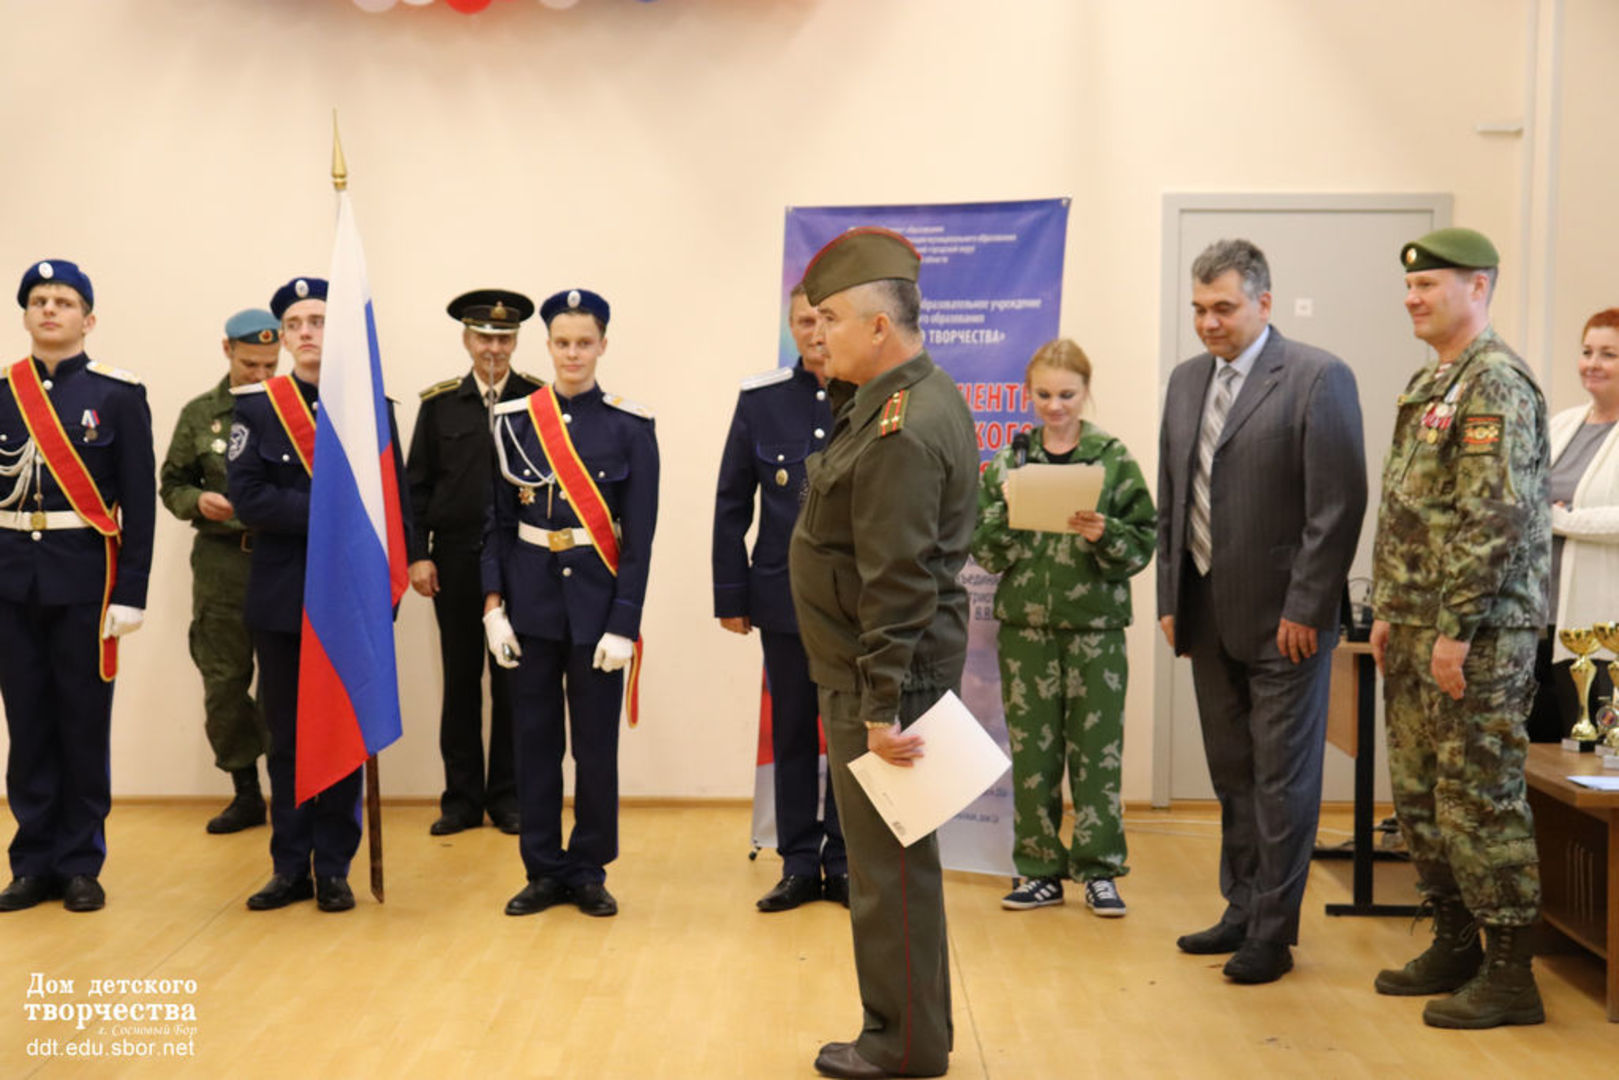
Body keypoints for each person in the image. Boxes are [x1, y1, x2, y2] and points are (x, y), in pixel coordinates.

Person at [789, 227, 977, 1080]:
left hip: (883, 683)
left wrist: (878, 709)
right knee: (898, 867)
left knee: (887, 872)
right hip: (882, 673)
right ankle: (913, 1034)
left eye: (829, 318)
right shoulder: (903, 398)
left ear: (877, 325)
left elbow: (896, 581)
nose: (815, 332)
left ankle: (899, 1045)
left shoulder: (901, 427)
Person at [1156, 238, 1366, 984]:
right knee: (1233, 773)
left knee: (1281, 781)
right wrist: (1171, 598)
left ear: (1263, 303)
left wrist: (1307, 605)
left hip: (1287, 623)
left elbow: (1336, 507)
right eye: (1198, 309)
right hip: (1206, 614)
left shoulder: (1316, 377)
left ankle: (1273, 935)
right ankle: (1241, 907)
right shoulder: (1186, 381)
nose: (1208, 323)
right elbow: (1172, 497)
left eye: (1223, 307)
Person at [1369, 227, 1550, 1028]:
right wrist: (1387, 608)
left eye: (1428, 285)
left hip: (1476, 635)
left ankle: (1510, 972)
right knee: (1418, 798)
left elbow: (1492, 518)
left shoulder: (1496, 383)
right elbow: (1408, 510)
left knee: (1478, 797)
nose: (1411, 297)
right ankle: (1454, 942)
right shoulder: (1431, 381)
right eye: (1409, 286)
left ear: (1477, 288)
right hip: (1416, 624)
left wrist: (1454, 629)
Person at [229, 275, 409, 914]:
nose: (307, 333)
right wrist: (335, 511)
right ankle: (289, 866)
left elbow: (394, 504)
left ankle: (333, 867)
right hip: (283, 598)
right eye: (295, 324)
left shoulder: (370, 409)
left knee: (342, 732)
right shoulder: (257, 408)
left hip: (349, 601)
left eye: (319, 321)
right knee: (286, 739)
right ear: (283, 337)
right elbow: (249, 498)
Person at [481, 288, 658, 920]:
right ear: (548, 345)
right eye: (562, 342)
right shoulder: (514, 421)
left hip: (597, 611)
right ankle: (541, 868)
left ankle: (587, 870)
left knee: (595, 749)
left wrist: (624, 623)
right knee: (533, 744)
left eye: (585, 342)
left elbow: (639, 539)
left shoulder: (631, 427)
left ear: (603, 345)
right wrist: (493, 608)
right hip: (530, 607)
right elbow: (497, 523)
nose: (573, 353)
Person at [970, 338, 1155, 916]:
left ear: (1086, 392)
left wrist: (1106, 534)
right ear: (1029, 394)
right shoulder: (1011, 461)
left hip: (1095, 629)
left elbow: (1142, 544)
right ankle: (1039, 871)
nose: (1055, 406)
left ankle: (1099, 871)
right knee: (1033, 756)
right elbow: (984, 551)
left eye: (1067, 395)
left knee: (1098, 755)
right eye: (1044, 395)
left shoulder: (1112, 458)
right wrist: (1008, 513)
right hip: (1026, 629)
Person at [0, 259, 154, 914]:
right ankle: (32, 862)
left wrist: (132, 591)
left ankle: (81, 862)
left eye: (63, 301)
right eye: (39, 300)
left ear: (87, 319)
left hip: (87, 583)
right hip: (10, 582)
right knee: (28, 724)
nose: (49, 310)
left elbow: (139, 502)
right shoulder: (4, 392)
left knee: (82, 724)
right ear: (26, 315)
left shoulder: (117, 395)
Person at [712, 281, 847, 912]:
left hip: (850, 603)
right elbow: (731, 503)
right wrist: (730, 594)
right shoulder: (761, 401)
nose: (815, 333)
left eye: (825, 319)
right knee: (792, 730)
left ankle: (843, 863)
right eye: (804, 321)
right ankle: (797, 862)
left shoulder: (871, 399)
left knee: (847, 734)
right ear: (791, 327)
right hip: (783, 597)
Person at [407, 289, 545, 836]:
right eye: (484, 337)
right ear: (467, 340)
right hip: (456, 560)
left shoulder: (538, 400)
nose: (494, 348)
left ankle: (507, 798)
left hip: (520, 561)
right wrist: (419, 555)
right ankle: (461, 800)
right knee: (461, 680)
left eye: (504, 338)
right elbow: (416, 488)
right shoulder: (440, 405)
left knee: (514, 683)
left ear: (516, 342)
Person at [159, 308, 280, 834]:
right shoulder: (200, 414)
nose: (261, 375)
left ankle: (291, 790)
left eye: (271, 365)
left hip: (281, 559)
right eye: (251, 364)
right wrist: (196, 500)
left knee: (284, 681)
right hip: (222, 563)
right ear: (227, 350)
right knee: (224, 682)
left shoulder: (294, 409)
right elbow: (171, 484)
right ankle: (245, 790)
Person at [1526, 307, 1619, 741]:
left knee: (1591, 753)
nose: (1592, 364)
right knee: (1538, 753)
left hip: (1600, 629)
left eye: (1609, 354)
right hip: (1539, 620)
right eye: (1587, 351)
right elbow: (1524, 497)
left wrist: (1559, 519)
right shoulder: (1561, 424)